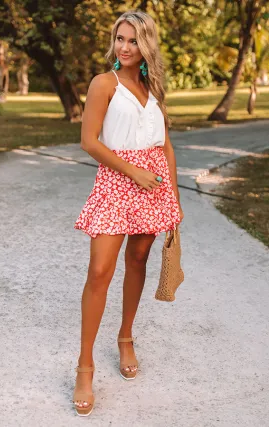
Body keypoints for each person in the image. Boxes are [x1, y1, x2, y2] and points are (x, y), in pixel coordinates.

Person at [73, 10, 184, 417]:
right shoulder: (105, 83)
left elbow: (166, 146)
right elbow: (88, 141)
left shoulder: (153, 89)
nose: (124, 46)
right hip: (117, 184)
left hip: (153, 189)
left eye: (134, 40)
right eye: (120, 38)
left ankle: (125, 338)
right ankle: (85, 366)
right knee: (100, 271)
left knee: (137, 260)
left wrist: (174, 198)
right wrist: (132, 170)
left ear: (147, 45)